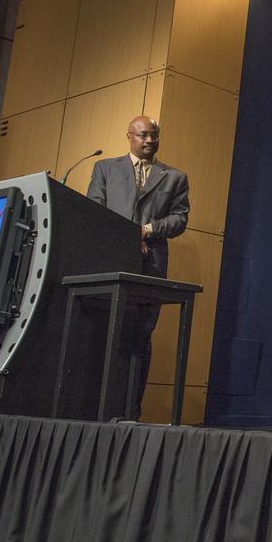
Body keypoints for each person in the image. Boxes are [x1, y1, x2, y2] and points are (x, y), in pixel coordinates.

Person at [87, 115, 190, 419]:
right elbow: (94, 210)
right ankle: (96, 409)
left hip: (151, 267)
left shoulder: (174, 177)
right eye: (143, 135)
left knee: (140, 336)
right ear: (129, 136)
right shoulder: (104, 168)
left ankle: (131, 411)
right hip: (112, 262)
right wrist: (127, 237)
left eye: (154, 136)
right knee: (104, 334)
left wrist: (148, 230)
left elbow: (180, 219)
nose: (149, 141)